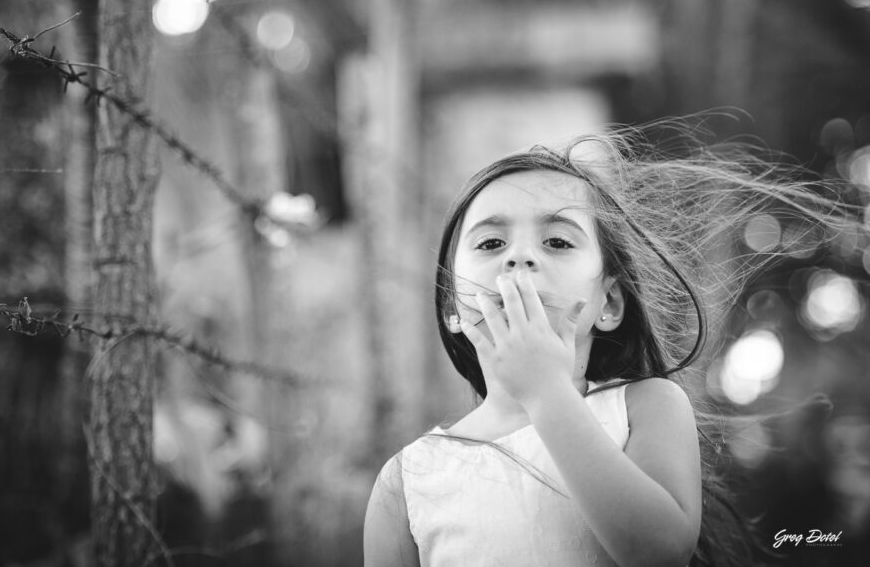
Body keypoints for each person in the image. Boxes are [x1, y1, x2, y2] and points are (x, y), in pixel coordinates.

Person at [363, 122, 853, 567]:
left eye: (557, 241)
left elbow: (659, 552)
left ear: (610, 303)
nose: (520, 257)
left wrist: (546, 393)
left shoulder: (646, 407)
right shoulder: (407, 482)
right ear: (453, 306)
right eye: (491, 244)